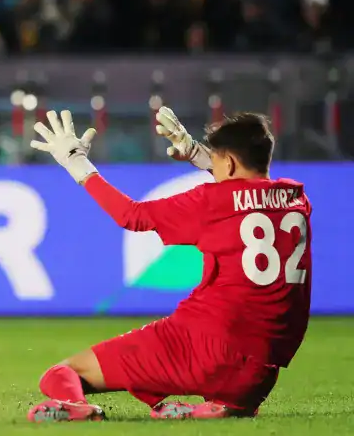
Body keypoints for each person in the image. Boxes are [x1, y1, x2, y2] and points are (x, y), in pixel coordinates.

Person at [26, 107, 312, 422]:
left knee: (62, 372)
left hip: (204, 345)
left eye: (217, 160)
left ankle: (79, 407)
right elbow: (247, 192)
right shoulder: (297, 201)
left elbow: (131, 215)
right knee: (231, 386)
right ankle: (223, 407)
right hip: (260, 372)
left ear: (229, 162)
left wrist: (76, 162)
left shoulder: (210, 201)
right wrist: (197, 154)